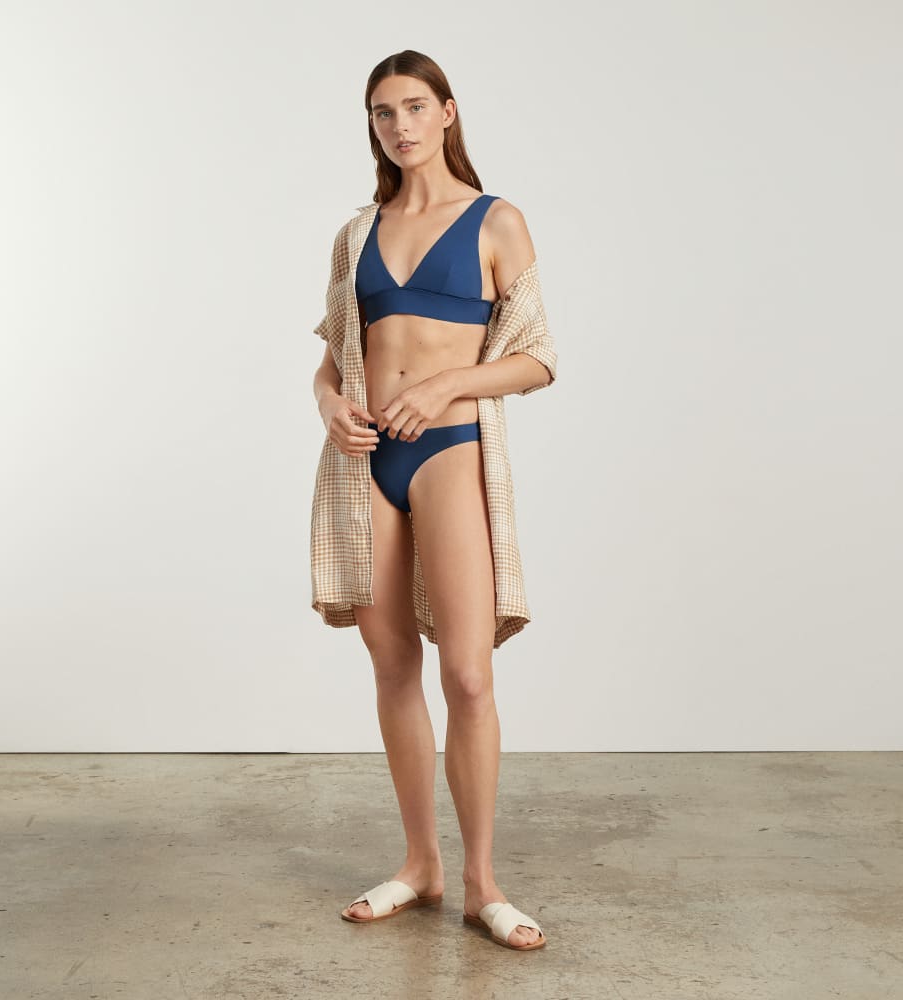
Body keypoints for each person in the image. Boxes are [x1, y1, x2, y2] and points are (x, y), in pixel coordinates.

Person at [310, 50, 558, 952]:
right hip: (364, 461)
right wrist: (331, 406)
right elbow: (333, 359)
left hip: (450, 452)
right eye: (383, 113)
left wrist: (449, 383)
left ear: (448, 112)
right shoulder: (357, 234)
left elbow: (536, 358)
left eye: (415, 107)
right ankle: (421, 864)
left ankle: (484, 884)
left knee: (468, 674)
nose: (400, 126)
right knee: (391, 668)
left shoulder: (496, 221)